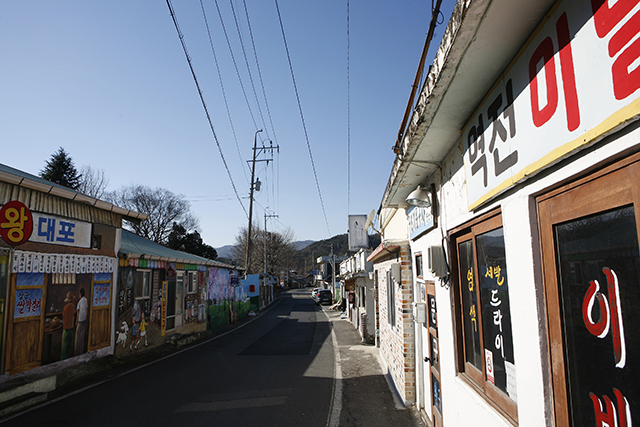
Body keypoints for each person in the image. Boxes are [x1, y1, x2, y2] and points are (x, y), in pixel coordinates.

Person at [61, 291, 75, 360]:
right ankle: (68, 359)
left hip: (66, 327)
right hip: (71, 327)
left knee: (64, 347)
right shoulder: (73, 306)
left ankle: (63, 359)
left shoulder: (65, 307)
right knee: (69, 345)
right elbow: (73, 316)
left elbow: (63, 317)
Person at [75, 288, 88, 355]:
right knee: (82, 336)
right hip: (84, 320)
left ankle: (76, 351)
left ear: (80, 294)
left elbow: (78, 313)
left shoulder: (79, 302)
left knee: (77, 336)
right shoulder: (86, 300)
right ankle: (81, 351)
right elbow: (86, 310)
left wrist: (76, 321)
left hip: (80, 320)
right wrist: (85, 317)